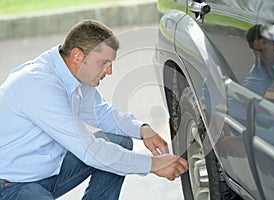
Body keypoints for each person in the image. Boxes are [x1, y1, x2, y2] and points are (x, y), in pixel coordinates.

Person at [0, 19, 188, 200]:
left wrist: (142, 130)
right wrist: (153, 164)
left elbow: (101, 113)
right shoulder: (39, 86)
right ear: (77, 55)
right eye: (103, 63)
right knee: (102, 154)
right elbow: (89, 150)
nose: (109, 71)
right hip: (13, 185)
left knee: (120, 143)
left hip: (51, 169)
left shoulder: (74, 73)